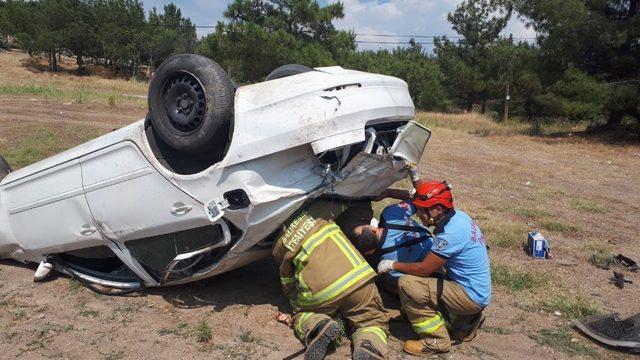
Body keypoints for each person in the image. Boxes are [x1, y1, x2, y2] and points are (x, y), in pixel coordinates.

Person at [377, 181, 491, 356]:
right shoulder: (459, 217)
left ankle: (436, 340)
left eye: (422, 210)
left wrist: (392, 264)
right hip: (475, 289)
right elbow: (415, 199)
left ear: (437, 209)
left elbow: (423, 270)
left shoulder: (450, 235)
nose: (419, 215)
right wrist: (387, 192)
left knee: (408, 284)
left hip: (470, 295)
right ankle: (464, 320)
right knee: (426, 279)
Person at [272, 198, 389, 360]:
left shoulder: (278, 246)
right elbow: (353, 198)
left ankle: (318, 326)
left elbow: (287, 280)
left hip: (321, 294)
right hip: (357, 279)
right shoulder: (318, 210)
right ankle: (369, 344)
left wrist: (297, 307)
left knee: (303, 315)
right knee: (371, 319)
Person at [351, 188, 433, 295]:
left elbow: (403, 282)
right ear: (373, 229)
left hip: (431, 267)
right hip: (435, 247)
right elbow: (416, 202)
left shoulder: (388, 260)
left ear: (369, 252)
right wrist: (389, 193)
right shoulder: (390, 214)